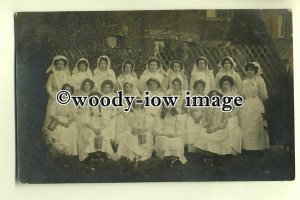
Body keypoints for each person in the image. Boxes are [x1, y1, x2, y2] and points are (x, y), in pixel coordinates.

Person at [76, 91, 118, 162]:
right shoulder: (87, 108)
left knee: (104, 133)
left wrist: (100, 129)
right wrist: (94, 129)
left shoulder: (103, 108)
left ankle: (100, 153)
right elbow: (85, 121)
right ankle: (90, 154)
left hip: (100, 127)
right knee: (91, 134)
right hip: (89, 127)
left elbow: (106, 120)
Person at [193, 90, 231, 167]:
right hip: (210, 127)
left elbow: (224, 122)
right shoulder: (208, 107)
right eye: (212, 97)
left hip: (220, 128)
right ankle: (210, 157)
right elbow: (204, 120)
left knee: (213, 137)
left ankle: (216, 157)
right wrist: (208, 126)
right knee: (203, 136)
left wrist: (215, 128)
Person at [240, 62, 269, 152]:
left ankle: (258, 147)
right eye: (248, 70)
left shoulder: (260, 81)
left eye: (251, 70)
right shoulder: (243, 82)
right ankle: (247, 146)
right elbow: (241, 94)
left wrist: (256, 102)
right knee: (245, 124)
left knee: (257, 124)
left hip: (256, 103)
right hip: (246, 104)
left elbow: (264, 95)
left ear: (256, 71)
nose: (249, 72)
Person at [117, 98, 155, 166]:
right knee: (127, 136)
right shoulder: (130, 113)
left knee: (144, 137)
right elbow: (126, 124)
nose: (138, 104)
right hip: (133, 131)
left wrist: (141, 130)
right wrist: (131, 130)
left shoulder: (146, 113)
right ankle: (130, 156)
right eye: (136, 103)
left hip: (143, 131)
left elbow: (148, 125)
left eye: (140, 102)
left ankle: (140, 155)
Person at [44, 84, 78, 156]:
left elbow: (74, 115)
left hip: (68, 120)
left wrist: (68, 123)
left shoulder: (72, 101)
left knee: (73, 129)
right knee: (58, 129)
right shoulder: (57, 100)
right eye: (65, 89)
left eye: (69, 90)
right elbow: (52, 113)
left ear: (71, 91)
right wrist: (60, 122)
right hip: (57, 119)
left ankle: (69, 152)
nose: (67, 91)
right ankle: (59, 151)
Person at [43, 55, 73, 132]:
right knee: (52, 114)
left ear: (64, 65)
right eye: (58, 64)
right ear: (55, 64)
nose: (60, 66)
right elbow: (48, 87)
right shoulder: (52, 75)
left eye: (62, 64)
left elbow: (70, 87)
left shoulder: (68, 75)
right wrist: (54, 97)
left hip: (65, 97)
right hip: (54, 96)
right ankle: (50, 135)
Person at [219, 75, 243, 155]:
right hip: (220, 116)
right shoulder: (219, 94)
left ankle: (231, 149)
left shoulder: (235, 95)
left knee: (229, 126)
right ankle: (221, 149)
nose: (225, 86)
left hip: (231, 116)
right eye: (223, 84)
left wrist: (230, 114)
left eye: (227, 84)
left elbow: (237, 108)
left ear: (230, 85)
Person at [187, 80, 207, 153]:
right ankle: (192, 148)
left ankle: (200, 147)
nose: (199, 88)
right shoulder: (192, 97)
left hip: (202, 116)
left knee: (202, 126)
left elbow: (206, 110)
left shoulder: (206, 97)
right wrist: (194, 117)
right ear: (195, 88)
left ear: (203, 88)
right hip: (193, 115)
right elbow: (190, 109)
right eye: (197, 86)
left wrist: (199, 117)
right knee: (190, 124)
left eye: (201, 86)